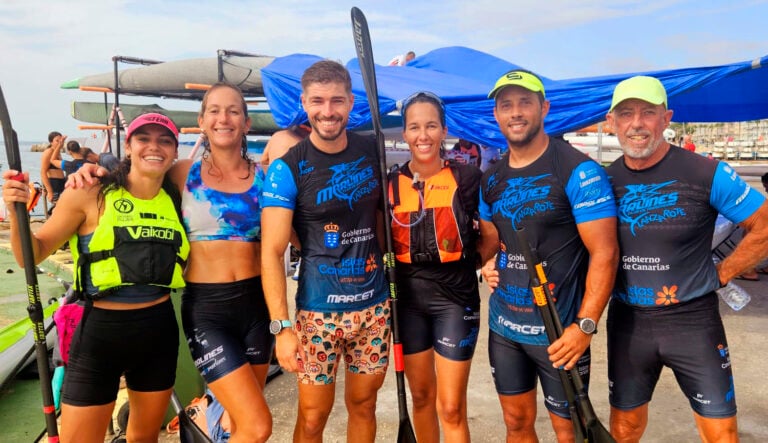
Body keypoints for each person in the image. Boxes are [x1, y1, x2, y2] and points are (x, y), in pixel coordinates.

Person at [68, 83, 274, 443]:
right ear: (202, 121)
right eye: (214, 110)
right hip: (208, 308)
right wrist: (88, 173)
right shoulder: (181, 173)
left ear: (246, 123)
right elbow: (134, 181)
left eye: (233, 111)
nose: (223, 118)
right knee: (257, 428)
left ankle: (204, 416)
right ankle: (202, 413)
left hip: (256, 307)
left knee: (238, 423)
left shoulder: (266, 177)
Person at [3, 113, 188, 442]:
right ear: (128, 147)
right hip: (100, 334)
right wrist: (17, 211)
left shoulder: (177, 194)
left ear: (174, 151)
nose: (154, 147)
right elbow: (30, 254)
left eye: (165, 140)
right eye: (143, 138)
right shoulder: (90, 192)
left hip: (158, 331)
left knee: (144, 438)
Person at [603, 75, 768, 442]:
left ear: (667, 119)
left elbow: (764, 225)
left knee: (722, 434)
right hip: (629, 323)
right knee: (625, 429)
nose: (636, 123)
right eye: (626, 113)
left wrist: (723, 272)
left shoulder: (706, 172)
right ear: (612, 123)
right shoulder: (601, 181)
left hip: (693, 322)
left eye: (648, 113)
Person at [476, 69, 619, 442]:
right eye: (506, 105)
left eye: (525, 102)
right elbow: (492, 243)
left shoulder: (578, 170)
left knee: (568, 432)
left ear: (544, 108)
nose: (516, 112)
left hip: (559, 334)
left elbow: (605, 253)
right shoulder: (491, 179)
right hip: (505, 329)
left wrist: (585, 326)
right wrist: (487, 266)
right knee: (516, 423)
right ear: (496, 114)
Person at [261, 59, 390, 442]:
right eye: (318, 101)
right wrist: (282, 327)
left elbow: (385, 215)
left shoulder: (373, 150)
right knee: (314, 416)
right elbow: (272, 251)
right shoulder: (288, 168)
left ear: (351, 102)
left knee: (364, 406)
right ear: (304, 102)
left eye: (337, 100)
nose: (328, 111)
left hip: (374, 306)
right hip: (318, 313)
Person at [388, 91, 482, 442]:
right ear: (405, 134)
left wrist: (483, 265)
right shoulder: (391, 185)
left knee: (451, 407)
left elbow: (487, 236)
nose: (423, 135)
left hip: (455, 300)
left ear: (444, 131)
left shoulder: (468, 178)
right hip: (409, 305)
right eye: (414, 127)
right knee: (422, 398)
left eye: (431, 126)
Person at [40, 131, 66, 211]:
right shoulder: (49, 152)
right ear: (51, 142)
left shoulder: (57, 152)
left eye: (61, 140)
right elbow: (43, 172)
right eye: (57, 141)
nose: (59, 143)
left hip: (61, 183)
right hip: (54, 184)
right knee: (59, 208)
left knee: (64, 207)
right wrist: (49, 191)